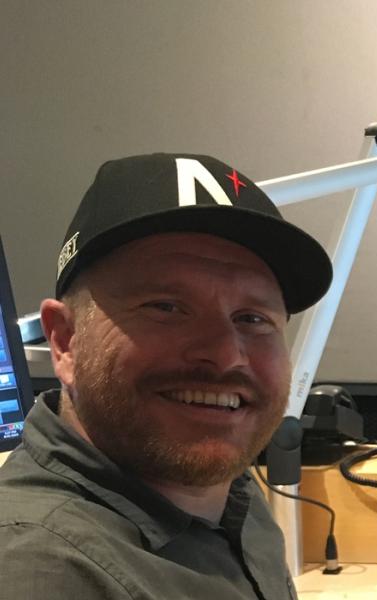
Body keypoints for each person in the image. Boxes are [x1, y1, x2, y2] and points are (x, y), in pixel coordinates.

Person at [0, 153, 332, 599]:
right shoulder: (40, 570)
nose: (225, 355)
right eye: (166, 307)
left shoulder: (227, 494)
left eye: (252, 318)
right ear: (65, 340)